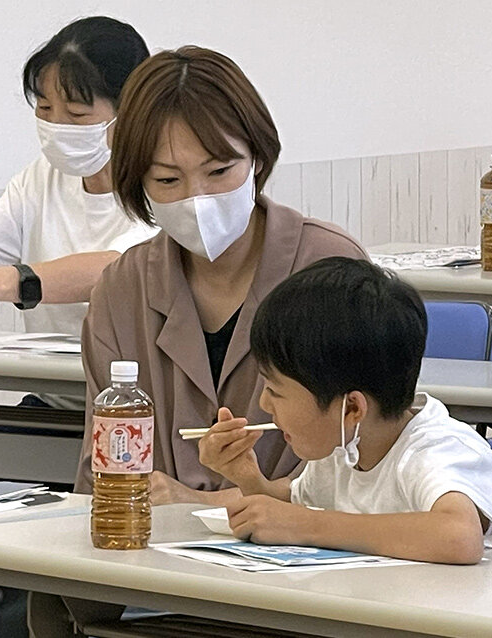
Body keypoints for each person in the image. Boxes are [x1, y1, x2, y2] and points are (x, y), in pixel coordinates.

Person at [75, 46, 366, 503]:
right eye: (168, 181)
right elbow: (106, 469)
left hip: (305, 556)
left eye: (220, 171)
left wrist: (204, 503)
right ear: (138, 185)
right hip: (152, 555)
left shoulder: (329, 266)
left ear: (257, 159)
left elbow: (362, 467)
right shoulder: (121, 289)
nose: (199, 198)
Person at [200, 257, 492, 563]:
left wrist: (309, 526)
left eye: (275, 390)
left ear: (351, 408)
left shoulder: (436, 449)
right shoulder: (343, 444)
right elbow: (289, 512)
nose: (263, 404)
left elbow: (458, 536)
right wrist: (248, 478)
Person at [0, 16, 156, 340]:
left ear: (131, 109)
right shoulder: (42, 178)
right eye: (45, 108)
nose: (57, 125)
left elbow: (118, 269)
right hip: (48, 385)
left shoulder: (167, 180)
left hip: (134, 388)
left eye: (77, 114)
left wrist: (2, 283)